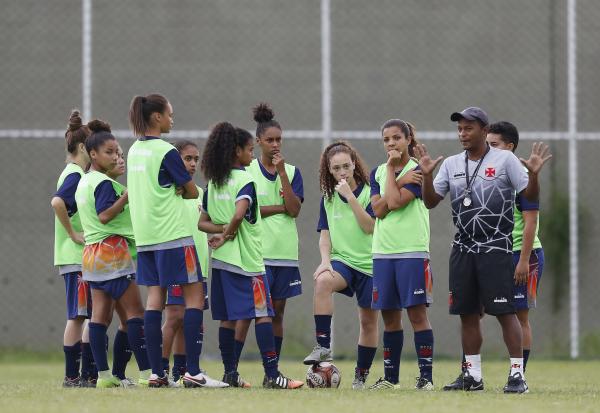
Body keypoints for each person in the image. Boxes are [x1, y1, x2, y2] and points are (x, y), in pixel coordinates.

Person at [415, 107, 551, 394]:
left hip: (496, 249)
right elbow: (430, 202)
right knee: (467, 313)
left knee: (505, 312)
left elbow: (529, 196)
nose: (463, 134)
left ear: (483, 130)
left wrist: (535, 176)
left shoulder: (505, 160)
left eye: (468, 128)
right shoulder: (451, 164)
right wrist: (427, 177)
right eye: (459, 129)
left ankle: (517, 376)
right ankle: (472, 376)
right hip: (462, 249)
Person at [127, 94, 226, 388]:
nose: (172, 119)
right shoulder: (165, 151)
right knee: (194, 297)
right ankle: (193, 372)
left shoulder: (132, 151)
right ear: (156, 117)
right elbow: (192, 191)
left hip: (146, 239)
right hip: (173, 236)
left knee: (155, 300)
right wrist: (181, 190)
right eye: (170, 114)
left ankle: (156, 373)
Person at [198, 122, 303, 389]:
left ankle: (230, 373)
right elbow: (239, 214)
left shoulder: (214, 183)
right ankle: (273, 374)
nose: (252, 155)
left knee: (228, 318)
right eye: (248, 149)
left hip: (221, 261)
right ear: (236, 152)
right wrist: (228, 233)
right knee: (264, 314)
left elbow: (203, 222)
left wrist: (220, 233)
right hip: (246, 260)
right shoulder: (245, 179)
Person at [74, 120, 152, 388]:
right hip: (112, 253)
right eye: (109, 152)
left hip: (91, 256)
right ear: (92, 154)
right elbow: (106, 215)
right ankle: (147, 374)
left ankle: (105, 377)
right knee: (135, 314)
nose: (116, 156)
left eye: (117, 152)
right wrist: (127, 197)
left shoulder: (85, 182)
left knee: (100, 317)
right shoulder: (103, 184)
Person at [303, 141, 378, 390]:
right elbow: (325, 235)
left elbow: (369, 227)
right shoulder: (328, 198)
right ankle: (323, 347)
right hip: (343, 261)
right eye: (337, 168)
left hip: (370, 264)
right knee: (323, 280)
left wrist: (350, 197)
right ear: (330, 170)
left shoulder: (369, 192)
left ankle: (360, 376)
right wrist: (325, 262)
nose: (343, 171)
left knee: (368, 321)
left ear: (354, 165)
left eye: (346, 166)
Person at [234, 103, 304, 369]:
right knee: (247, 313)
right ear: (258, 141)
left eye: (279, 140)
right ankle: (232, 369)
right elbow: (247, 210)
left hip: (284, 252)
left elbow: (295, 210)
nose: (275, 145)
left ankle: (271, 371)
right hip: (256, 252)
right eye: (270, 140)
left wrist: (283, 173)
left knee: (277, 312)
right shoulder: (246, 171)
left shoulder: (293, 172)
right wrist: (279, 207)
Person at [367, 120, 435, 391]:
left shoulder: (418, 170)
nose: (391, 143)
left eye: (397, 137)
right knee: (390, 318)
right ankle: (391, 379)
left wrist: (399, 177)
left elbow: (393, 203)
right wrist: (396, 178)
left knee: (417, 315)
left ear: (409, 140)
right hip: (383, 253)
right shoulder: (377, 172)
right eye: (386, 139)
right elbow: (378, 211)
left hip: (412, 252)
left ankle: (426, 378)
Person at [161, 140, 211, 384]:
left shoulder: (199, 193)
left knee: (190, 320)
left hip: (199, 266)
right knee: (173, 318)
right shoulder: (170, 192)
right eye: (187, 159)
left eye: (195, 160)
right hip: (178, 264)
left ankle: (181, 372)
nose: (192, 164)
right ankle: (160, 371)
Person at [51, 110, 94, 387]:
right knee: (81, 316)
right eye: (91, 148)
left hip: (76, 258)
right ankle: (74, 375)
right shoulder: (75, 175)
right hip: (75, 257)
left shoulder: (74, 173)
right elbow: (57, 202)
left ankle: (83, 374)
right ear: (82, 148)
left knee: (85, 314)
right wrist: (73, 233)